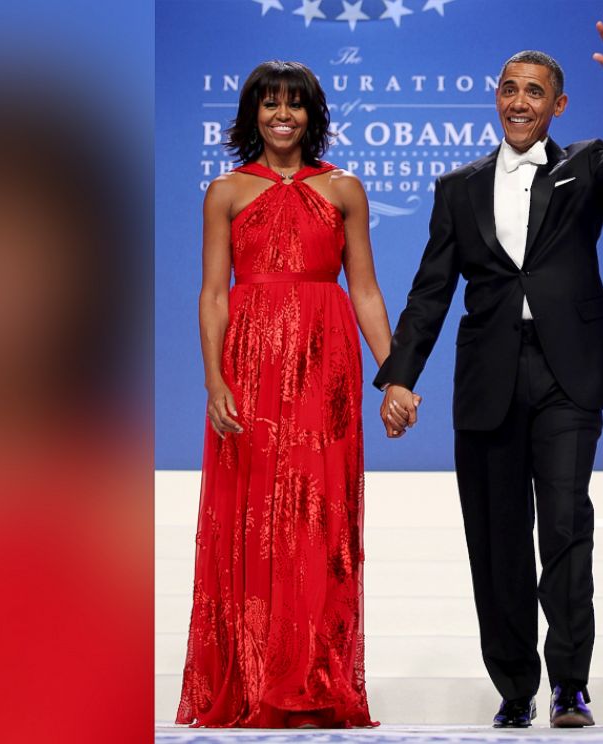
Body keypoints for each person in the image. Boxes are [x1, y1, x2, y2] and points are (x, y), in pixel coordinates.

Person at [376, 11, 603, 728]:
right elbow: (430, 290)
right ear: (496, 96)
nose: (519, 101)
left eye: (534, 91)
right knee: (497, 537)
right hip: (488, 380)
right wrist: (398, 375)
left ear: (557, 105)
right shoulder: (459, 187)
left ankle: (570, 685)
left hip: (568, 377)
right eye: (509, 88)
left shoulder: (587, 166)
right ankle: (515, 686)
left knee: (566, 526)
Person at [176, 60, 393, 729]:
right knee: (251, 518)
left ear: (312, 115)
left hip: (326, 368)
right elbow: (214, 293)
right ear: (252, 114)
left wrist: (395, 374)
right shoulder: (226, 191)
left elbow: (365, 290)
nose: (282, 116)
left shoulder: (344, 188)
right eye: (269, 104)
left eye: (294, 106)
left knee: (318, 519)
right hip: (249, 367)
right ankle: (249, 679)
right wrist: (214, 378)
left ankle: (315, 682)